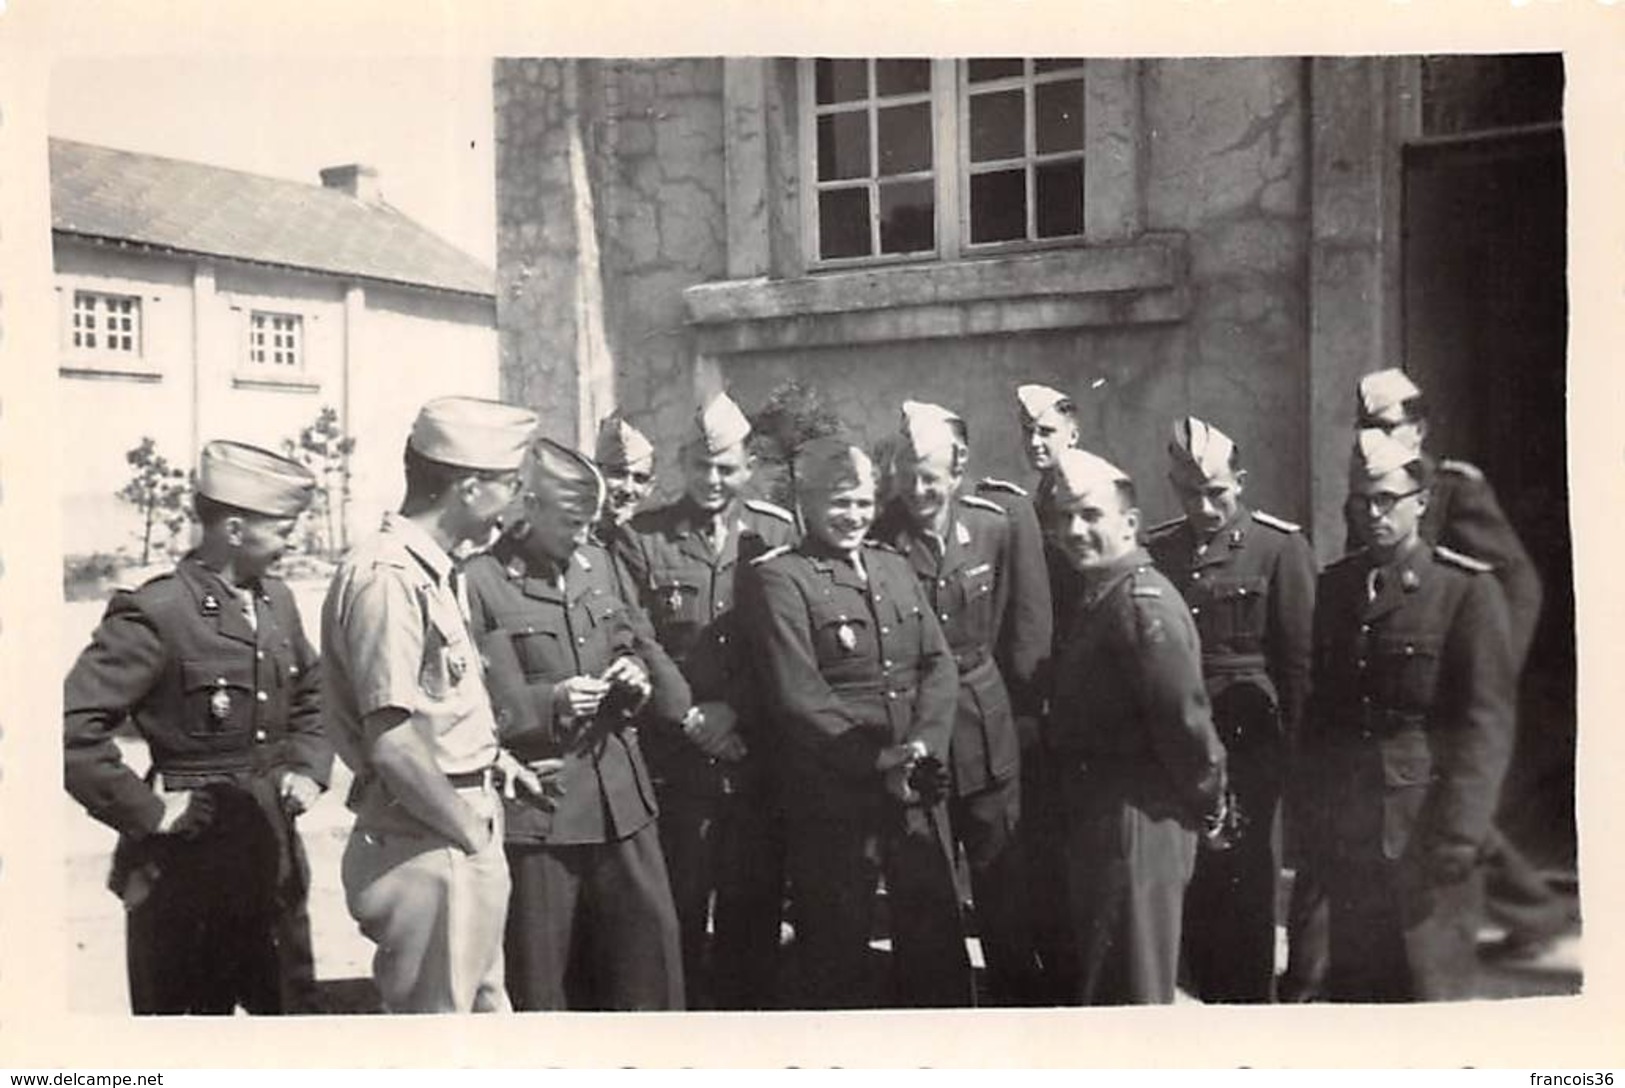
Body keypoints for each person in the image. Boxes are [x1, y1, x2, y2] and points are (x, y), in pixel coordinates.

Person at [1280, 367, 1557, 999]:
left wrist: (1490, 657)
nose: (1373, 437)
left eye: (1387, 426)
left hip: (1447, 673)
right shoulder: (1359, 525)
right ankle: (1308, 974)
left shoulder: (1454, 488)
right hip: (1376, 762)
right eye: (1365, 426)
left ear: (1419, 429)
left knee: (1448, 825)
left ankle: (1534, 912)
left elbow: (1516, 581)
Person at [64, 440, 330, 1015]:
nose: (295, 541)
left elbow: (313, 693)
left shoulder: (278, 602)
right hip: (184, 865)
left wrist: (307, 767)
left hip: (271, 851)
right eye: (284, 528)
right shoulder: (157, 612)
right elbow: (71, 731)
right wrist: (150, 812)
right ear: (234, 528)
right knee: (185, 1035)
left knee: (289, 1023)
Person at [322, 396, 556, 1013]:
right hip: (431, 840)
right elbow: (392, 740)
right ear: (471, 487)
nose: (516, 501)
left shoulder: (432, 571)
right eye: (511, 485)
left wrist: (489, 762)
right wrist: (468, 833)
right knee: (440, 1042)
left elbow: (434, 706)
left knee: (476, 1025)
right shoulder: (389, 577)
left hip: (448, 825)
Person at [739, 436, 971, 1008]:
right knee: (838, 952)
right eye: (840, 503)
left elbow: (937, 664)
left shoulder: (892, 565)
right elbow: (799, 695)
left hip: (913, 785)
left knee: (934, 938)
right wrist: (877, 761)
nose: (854, 517)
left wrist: (920, 748)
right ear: (807, 506)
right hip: (836, 793)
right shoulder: (782, 579)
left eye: (864, 503)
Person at [462, 435, 689, 1010]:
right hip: (545, 813)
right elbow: (484, 702)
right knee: (547, 983)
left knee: (651, 970)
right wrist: (553, 702)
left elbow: (625, 639)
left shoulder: (599, 562)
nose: (584, 534)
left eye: (590, 522)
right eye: (571, 522)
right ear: (529, 506)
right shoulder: (481, 580)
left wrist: (633, 673)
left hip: (622, 801)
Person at [1304, 429, 1515, 1000]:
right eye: (1360, 501)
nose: (1372, 514)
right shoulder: (1337, 588)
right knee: (1360, 1000)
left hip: (1427, 836)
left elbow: (1484, 725)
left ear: (1420, 502)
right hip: (1353, 836)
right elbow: (1324, 714)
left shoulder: (1464, 591)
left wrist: (1461, 834)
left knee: (1430, 998)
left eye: (1385, 500)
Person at [611, 391, 797, 1008]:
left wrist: (734, 711)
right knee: (677, 916)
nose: (713, 480)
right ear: (684, 465)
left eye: (727, 467)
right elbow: (637, 634)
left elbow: (780, 641)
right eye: (701, 466)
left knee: (753, 913)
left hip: (753, 754)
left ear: (746, 467)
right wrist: (690, 715)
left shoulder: (774, 532)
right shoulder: (644, 539)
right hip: (678, 757)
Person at [871, 400, 1046, 1005]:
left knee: (1005, 883)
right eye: (906, 474)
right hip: (916, 729)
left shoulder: (998, 522)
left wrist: (1023, 717)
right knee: (925, 892)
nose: (918, 489)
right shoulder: (876, 538)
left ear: (958, 468)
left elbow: (1025, 628)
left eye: (930, 475)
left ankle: (1022, 1018)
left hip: (985, 723)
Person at [1043, 447, 1228, 1004]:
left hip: (1137, 824)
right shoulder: (1102, 595)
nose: (1075, 530)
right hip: (1106, 822)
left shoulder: (1140, 606)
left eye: (1091, 516)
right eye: (1065, 517)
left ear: (1129, 522)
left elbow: (1186, 724)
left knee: (1135, 998)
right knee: (1112, 988)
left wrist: (1211, 805)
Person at [1146, 417, 1315, 1002]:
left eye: (1217, 492)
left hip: (1249, 743)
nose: (1206, 506)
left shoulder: (1278, 549)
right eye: (1191, 493)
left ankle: (1246, 1006)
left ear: (1239, 481)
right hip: (1180, 743)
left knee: (1244, 885)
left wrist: (1292, 762)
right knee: (1188, 882)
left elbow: (1297, 669)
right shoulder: (1160, 550)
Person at [975, 380, 1081, 1001]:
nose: (1037, 443)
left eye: (1048, 432)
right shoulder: (1019, 507)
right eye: (1029, 434)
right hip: (1035, 700)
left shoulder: (1084, 496)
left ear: (1074, 434)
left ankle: (1066, 971)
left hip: (1070, 694)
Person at [594, 414, 657, 546]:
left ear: (650, 486)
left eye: (640, 478)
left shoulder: (660, 547)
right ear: (597, 475)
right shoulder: (573, 542)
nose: (628, 489)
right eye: (618, 473)